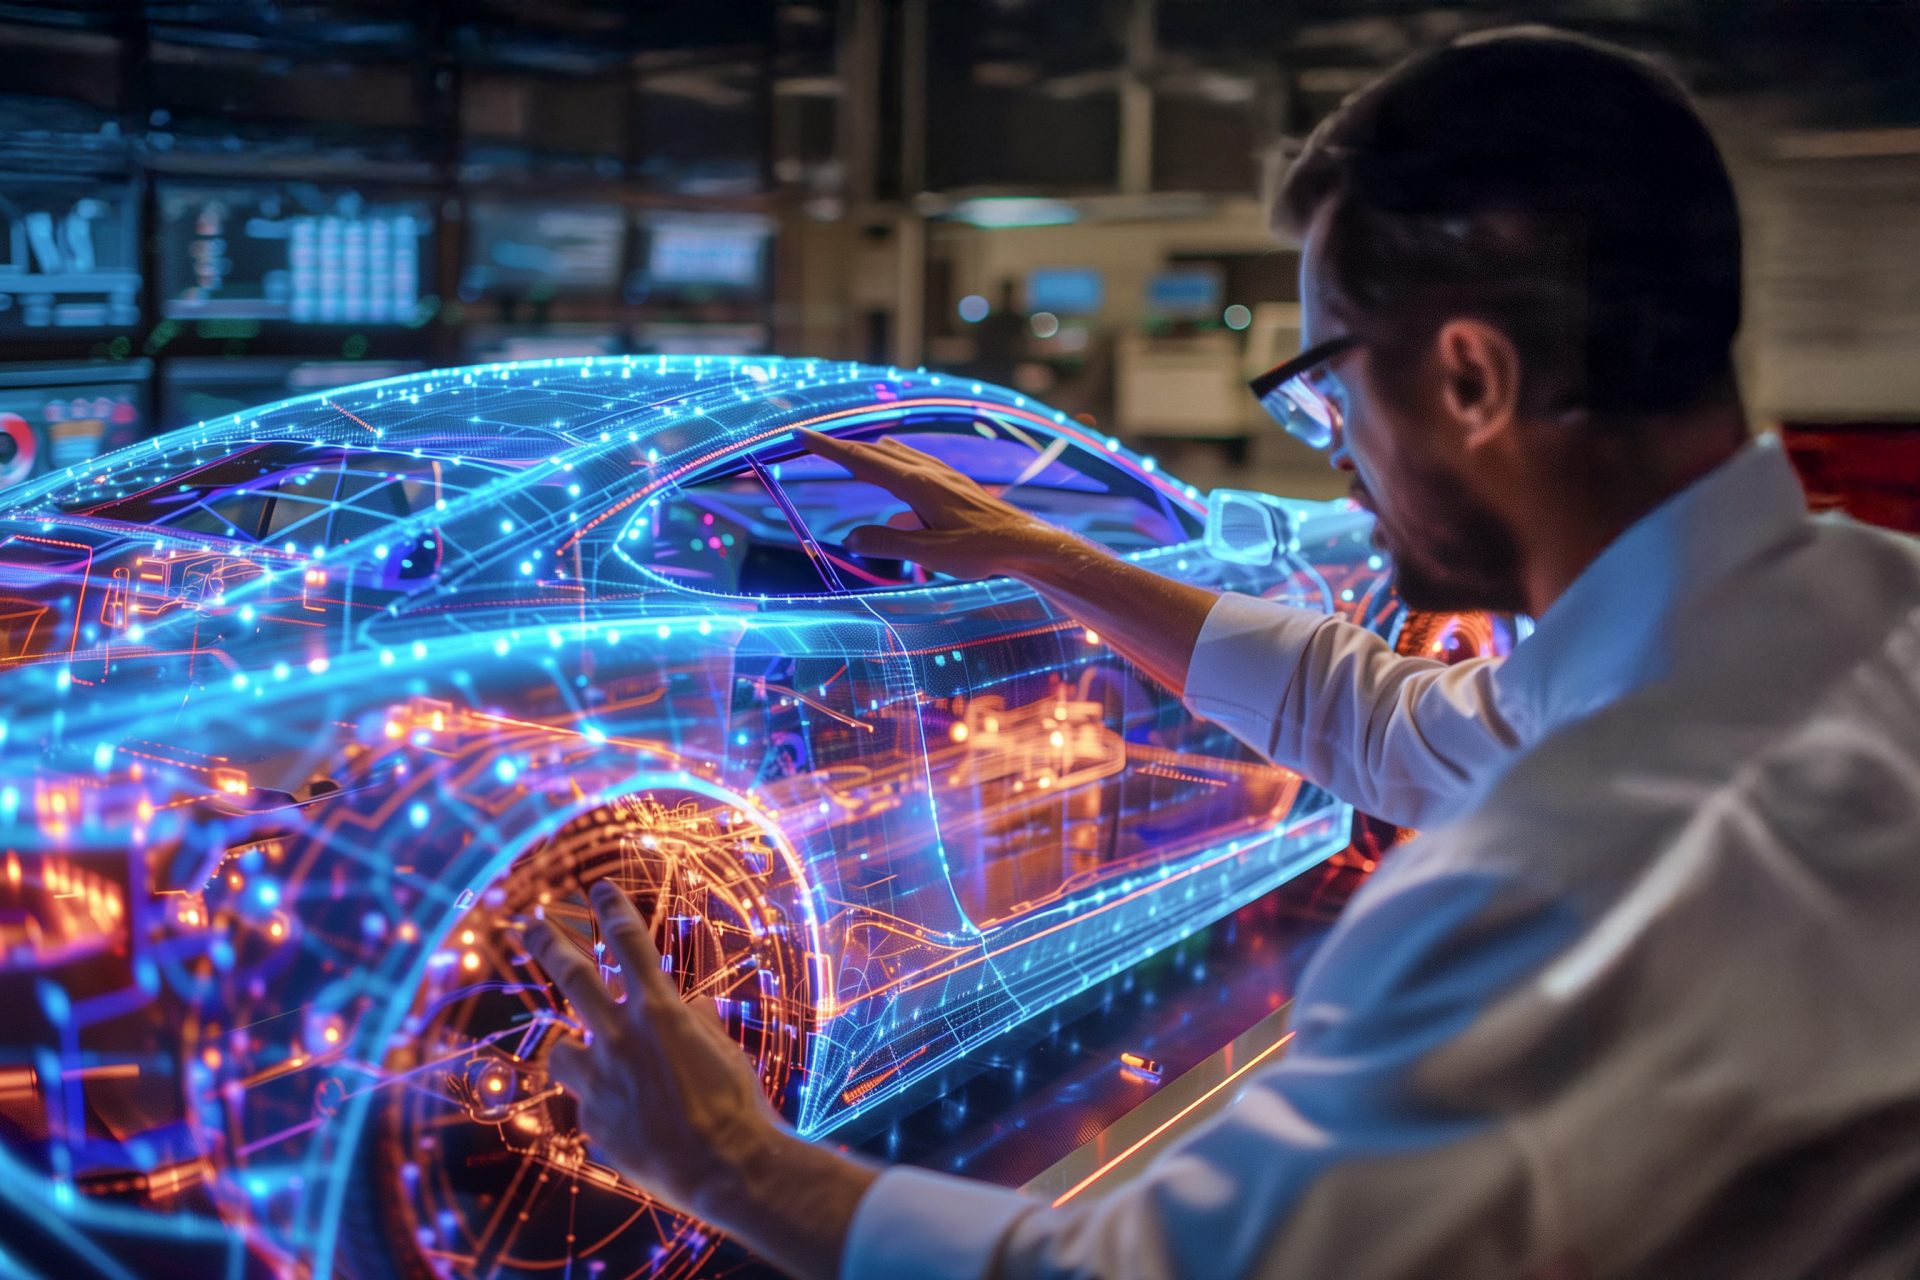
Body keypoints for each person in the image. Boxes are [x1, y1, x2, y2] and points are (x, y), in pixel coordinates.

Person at [525, 27, 1920, 1280]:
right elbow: (1396, 723)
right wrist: (1045, 554)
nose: (1335, 455)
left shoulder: (1537, 911)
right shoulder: (1868, 622)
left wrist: (728, 1161)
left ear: (1474, 381)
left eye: (1323, 391)